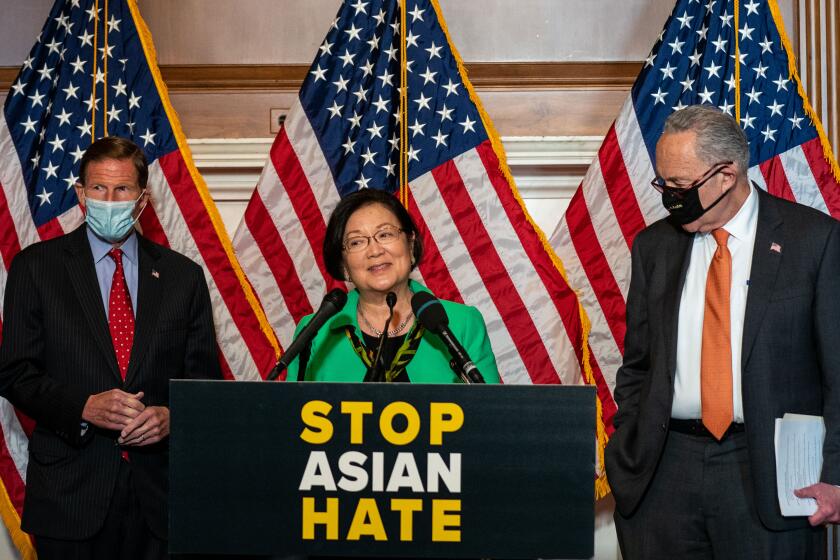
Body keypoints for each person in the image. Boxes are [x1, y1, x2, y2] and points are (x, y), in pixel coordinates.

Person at [605, 105, 840, 559]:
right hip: (663, 470)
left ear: (728, 174)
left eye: (680, 185)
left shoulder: (814, 241)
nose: (669, 198)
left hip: (766, 472)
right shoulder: (653, 247)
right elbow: (637, 365)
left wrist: (836, 474)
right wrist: (626, 451)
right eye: (663, 184)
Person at [0, 136, 222, 559]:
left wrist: (173, 417)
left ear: (142, 198)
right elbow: (15, 371)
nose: (110, 199)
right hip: (70, 498)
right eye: (98, 188)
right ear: (81, 194)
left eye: (122, 189)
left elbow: (205, 382)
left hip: (160, 497)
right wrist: (82, 407)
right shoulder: (37, 268)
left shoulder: (182, 277)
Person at [287, 188, 500, 384]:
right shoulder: (315, 333)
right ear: (344, 265)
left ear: (410, 243)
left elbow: (487, 414)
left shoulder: (462, 323)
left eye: (385, 234)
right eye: (356, 242)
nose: (374, 251)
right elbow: (290, 418)